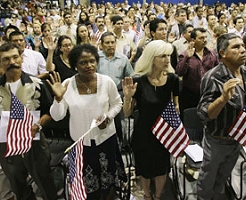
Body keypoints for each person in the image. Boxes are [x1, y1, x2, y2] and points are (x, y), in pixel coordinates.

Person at [47, 44, 125, 200]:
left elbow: (117, 104)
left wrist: (108, 117)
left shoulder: (106, 81)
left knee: (108, 184)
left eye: (92, 61)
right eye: (83, 62)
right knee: (86, 187)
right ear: (75, 65)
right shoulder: (67, 85)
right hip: (81, 144)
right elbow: (57, 116)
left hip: (106, 140)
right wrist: (58, 99)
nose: (89, 65)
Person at [197, 33, 246, 200]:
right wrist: (222, 99)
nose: (242, 50)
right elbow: (203, 113)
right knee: (207, 181)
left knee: (222, 179)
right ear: (223, 53)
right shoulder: (214, 77)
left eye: (242, 46)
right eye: (236, 47)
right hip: (217, 140)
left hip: (237, 138)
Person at [122, 40, 179, 200]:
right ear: (151, 58)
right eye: (163, 56)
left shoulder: (173, 79)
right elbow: (127, 113)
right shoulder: (138, 81)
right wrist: (127, 98)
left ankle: (158, 196)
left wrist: (175, 113)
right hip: (144, 132)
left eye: (168, 55)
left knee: (162, 167)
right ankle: (147, 195)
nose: (167, 59)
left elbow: (176, 105)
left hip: (164, 131)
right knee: (144, 168)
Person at [0, 43, 57, 200]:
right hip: (6, 143)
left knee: (45, 182)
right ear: (0, 63)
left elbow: (50, 111)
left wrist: (38, 124)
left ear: (21, 59)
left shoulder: (37, 84)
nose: (11, 62)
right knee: (17, 185)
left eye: (15, 57)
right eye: (6, 59)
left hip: (34, 141)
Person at [176, 28, 218, 118]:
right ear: (193, 40)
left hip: (209, 95)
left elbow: (218, 72)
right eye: (201, 38)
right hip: (191, 96)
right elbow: (179, 72)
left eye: (206, 37)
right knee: (192, 123)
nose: (205, 40)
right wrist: (187, 58)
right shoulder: (184, 55)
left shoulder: (212, 54)